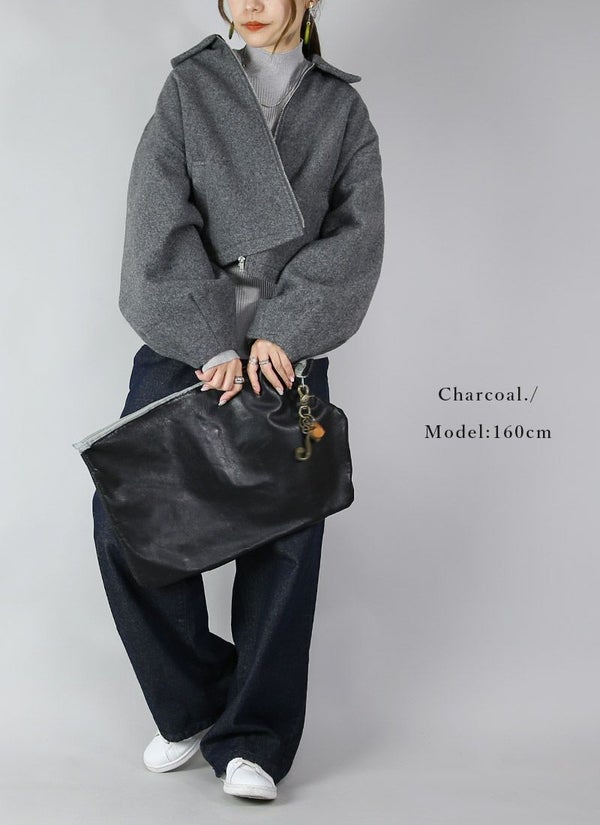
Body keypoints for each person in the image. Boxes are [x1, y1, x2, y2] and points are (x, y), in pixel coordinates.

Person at [91, 0, 385, 802]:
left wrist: (283, 335)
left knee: (284, 541)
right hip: (191, 343)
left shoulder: (342, 109)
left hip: (289, 353)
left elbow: (356, 236)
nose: (250, 4)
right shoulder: (191, 88)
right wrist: (210, 338)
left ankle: (254, 736)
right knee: (126, 521)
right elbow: (157, 216)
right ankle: (196, 704)